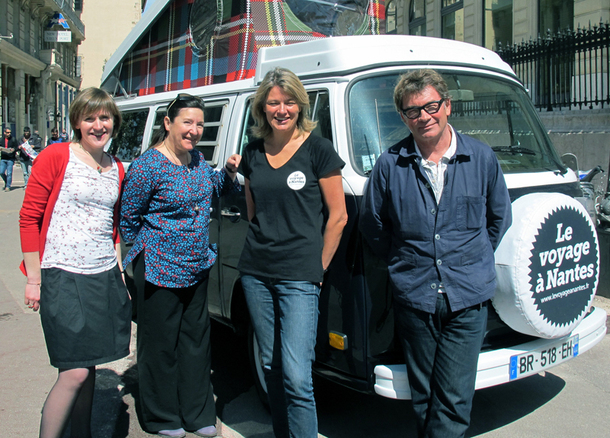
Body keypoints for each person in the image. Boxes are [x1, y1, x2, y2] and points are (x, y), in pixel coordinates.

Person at [359, 69, 512, 438]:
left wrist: (470, 260)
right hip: (416, 296)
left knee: (454, 401)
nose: (424, 116)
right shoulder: (389, 165)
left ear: (447, 106)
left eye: (431, 106)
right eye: (413, 111)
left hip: (467, 298)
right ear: (403, 117)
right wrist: (407, 261)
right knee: (424, 396)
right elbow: (373, 226)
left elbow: (498, 219)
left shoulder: (481, 158)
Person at [120, 93, 241, 438]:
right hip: (159, 268)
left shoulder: (196, 161)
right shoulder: (148, 166)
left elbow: (211, 187)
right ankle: (161, 416)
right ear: (168, 123)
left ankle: (197, 412)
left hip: (195, 265)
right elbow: (128, 218)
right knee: (160, 345)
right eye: (187, 122)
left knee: (196, 342)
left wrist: (228, 172)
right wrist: (147, 251)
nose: (194, 130)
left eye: (200, 123)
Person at [238, 67, 348, 438]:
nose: (281, 110)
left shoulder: (319, 150)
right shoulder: (252, 152)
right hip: (256, 271)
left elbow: (338, 218)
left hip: (300, 275)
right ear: (262, 109)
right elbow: (254, 212)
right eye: (273, 103)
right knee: (271, 364)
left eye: (288, 103)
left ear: (300, 106)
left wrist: (316, 268)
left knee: (298, 376)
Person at [19, 87, 132, 438]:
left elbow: (112, 226)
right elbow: (29, 218)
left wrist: (120, 272)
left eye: (105, 117)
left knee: (90, 365)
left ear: (114, 121)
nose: (98, 125)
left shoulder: (116, 167)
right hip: (61, 273)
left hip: (102, 274)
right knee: (74, 372)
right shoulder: (56, 156)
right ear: (77, 123)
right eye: (90, 118)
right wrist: (34, 279)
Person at [1, 126, 18, 191]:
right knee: (1, 172)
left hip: (10, 158)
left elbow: (17, 147)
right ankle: (6, 182)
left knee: (9, 173)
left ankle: (8, 186)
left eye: (10, 132)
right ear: (4, 132)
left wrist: (13, 149)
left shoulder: (13, 139)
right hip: (3, 158)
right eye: (7, 132)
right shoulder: (1, 139)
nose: (9, 134)